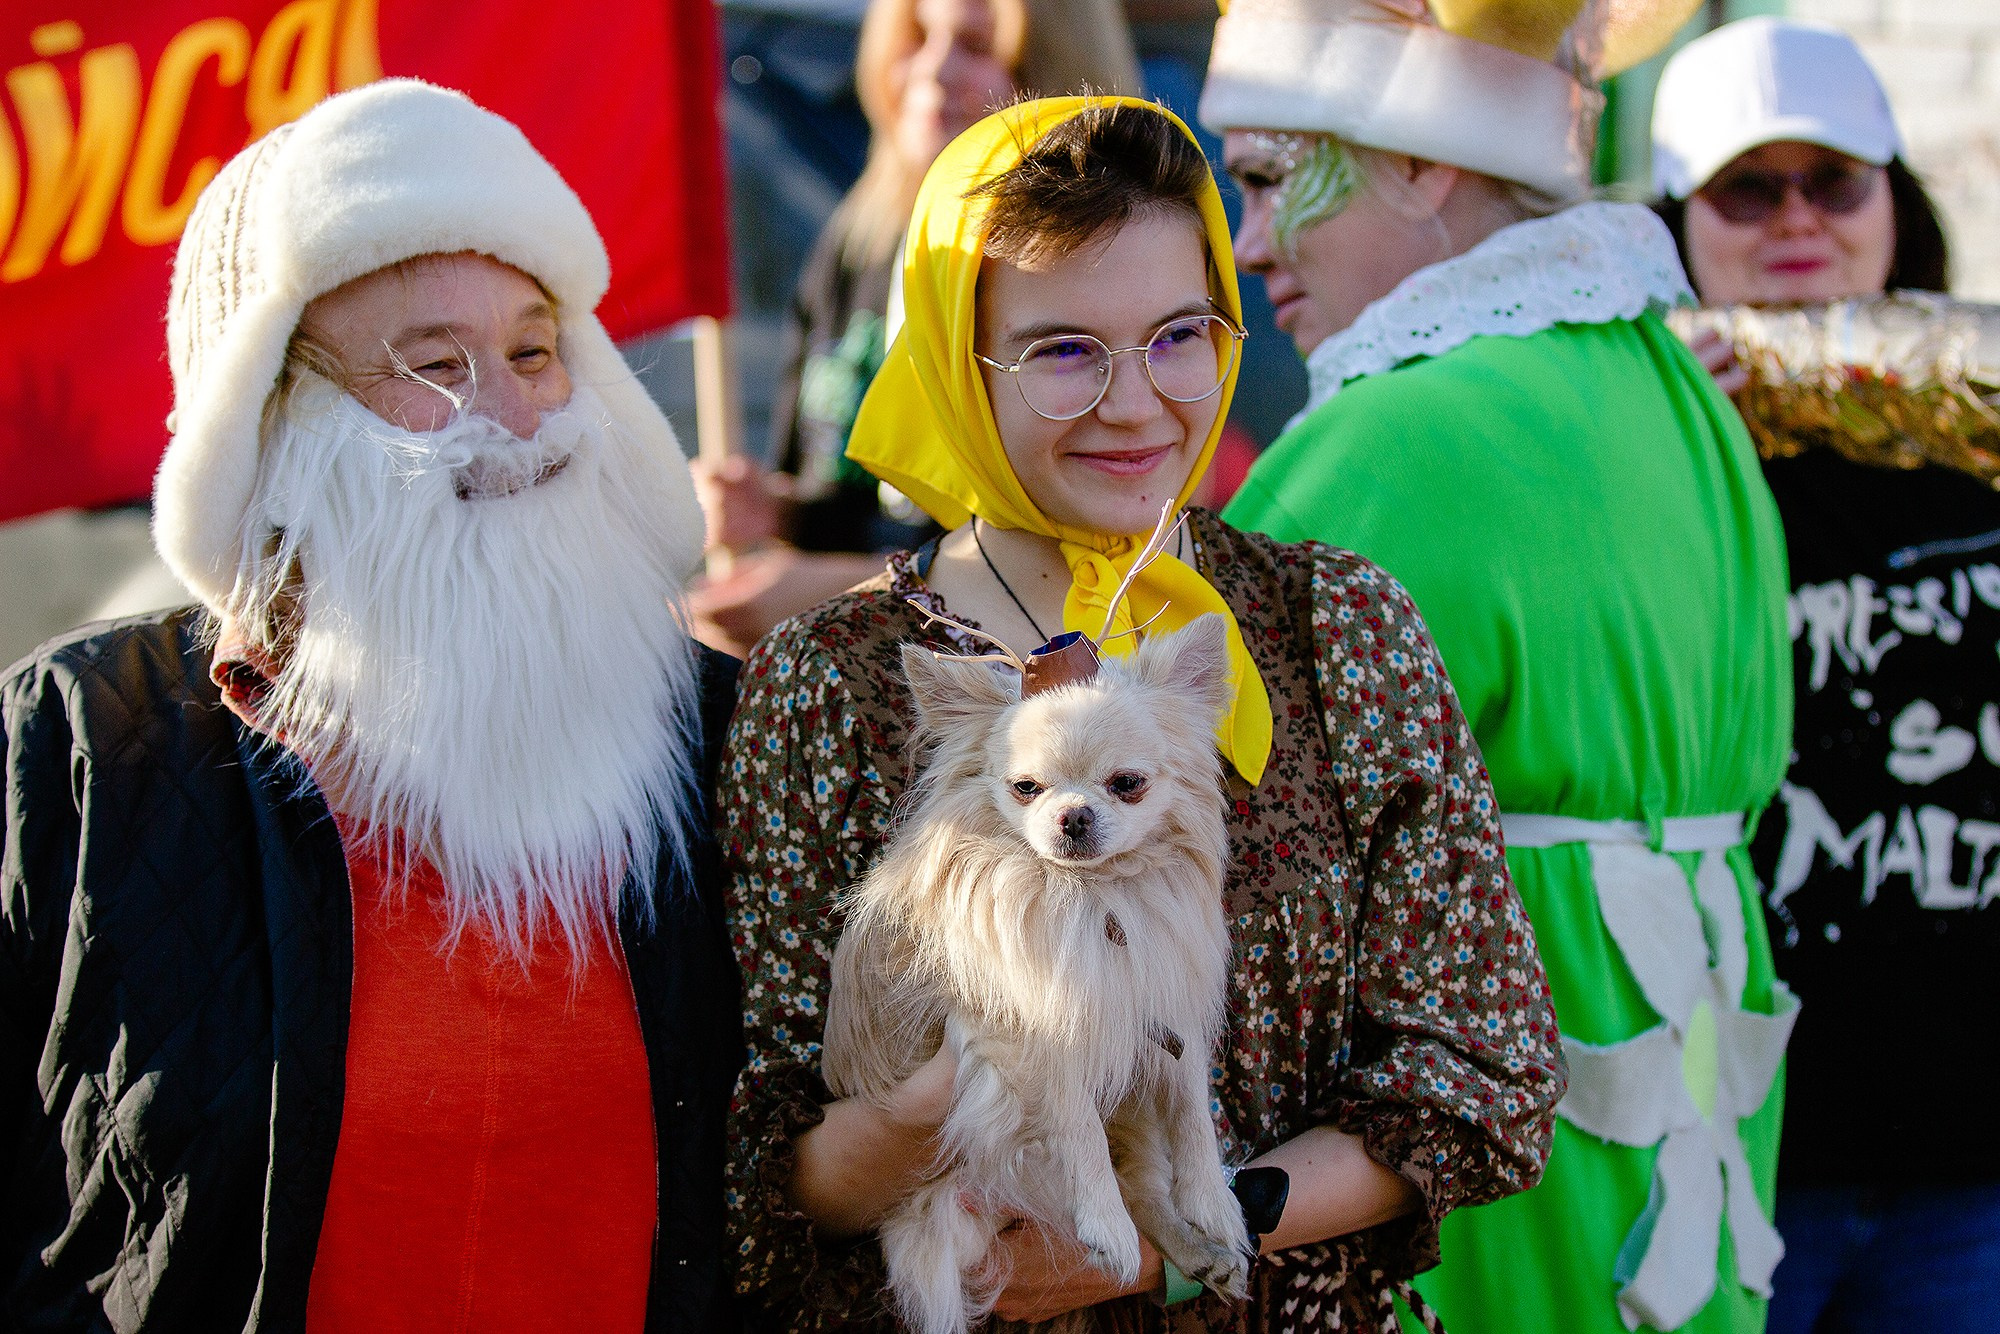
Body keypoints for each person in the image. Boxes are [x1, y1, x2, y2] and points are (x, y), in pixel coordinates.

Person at [718, 95, 1566, 1333]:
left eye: (1179, 333)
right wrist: (945, 1103)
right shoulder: (829, 680)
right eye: (1064, 350)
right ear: (957, 360)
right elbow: (768, 1175)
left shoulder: (1333, 626)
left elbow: (1477, 1071)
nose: (1135, 401)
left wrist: (1179, 1229)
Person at [0, 81, 740, 1331]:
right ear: (272, 425)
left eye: (531, 350)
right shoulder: (84, 742)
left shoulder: (721, 733)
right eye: (433, 368)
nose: (511, 421)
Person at [1200, 2, 1797, 1332]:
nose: (1246, 247)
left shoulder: (1384, 437)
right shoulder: (1679, 386)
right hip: (1675, 1105)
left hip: (1477, 1140)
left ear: (1419, 159)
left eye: (1265, 176)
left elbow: (1223, 854)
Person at [1653, 19, 1997, 1334]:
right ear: (1678, 216)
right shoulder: (1648, 443)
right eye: (1749, 186)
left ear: (1892, 204)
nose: (1795, 217)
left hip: (1975, 1154)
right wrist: (1660, 430)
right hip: (1740, 1135)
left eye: (1832, 180)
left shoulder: (1979, 430)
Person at [692, 0, 1141, 656]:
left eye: (976, 45)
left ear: (1053, 75)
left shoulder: (1090, 279)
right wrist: (777, 509)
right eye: (916, 37)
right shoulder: (856, 244)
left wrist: (852, 591)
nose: (931, 71)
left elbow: (1087, 558)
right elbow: (867, 502)